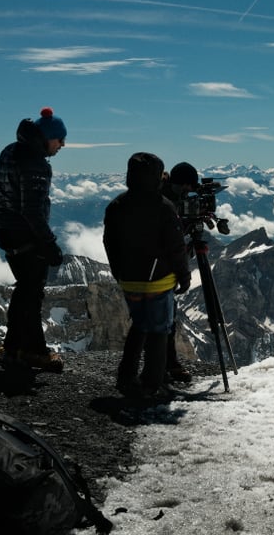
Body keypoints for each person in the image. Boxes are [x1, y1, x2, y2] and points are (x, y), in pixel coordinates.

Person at [103, 152, 191, 398]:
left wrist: (118, 272)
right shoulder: (164, 207)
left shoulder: (116, 205)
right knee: (159, 330)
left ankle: (126, 376)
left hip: (129, 280)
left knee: (139, 325)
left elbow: (109, 243)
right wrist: (184, 277)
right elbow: (176, 248)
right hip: (158, 281)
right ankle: (153, 383)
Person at [0, 107, 67, 372]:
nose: (62, 145)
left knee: (26, 290)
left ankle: (17, 347)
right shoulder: (34, 163)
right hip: (25, 235)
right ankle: (29, 352)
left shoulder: (10, 150)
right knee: (31, 293)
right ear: (47, 137)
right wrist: (49, 245)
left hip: (4, 230)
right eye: (59, 139)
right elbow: (32, 211)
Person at [160, 162, 232, 383]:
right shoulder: (164, 202)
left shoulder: (165, 194)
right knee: (164, 317)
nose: (188, 194)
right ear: (183, 185)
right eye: (188, 189)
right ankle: (162, 369)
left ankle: (165, 366)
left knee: (165, 316)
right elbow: (168, 238)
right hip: (161, 267)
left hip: (159, 264)